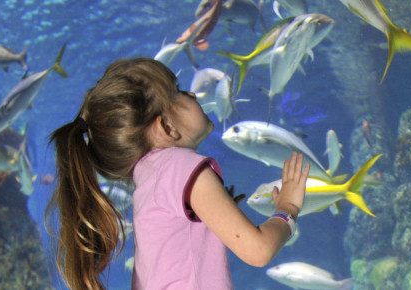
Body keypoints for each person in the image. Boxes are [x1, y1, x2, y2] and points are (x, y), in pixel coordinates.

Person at [46, 57, 309, 290]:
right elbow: (258, 250)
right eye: (178, 91)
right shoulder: (179, 164)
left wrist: (215, 210)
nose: (192, 94)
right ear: (166, 127)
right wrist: (288, 208)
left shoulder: (149, 177)